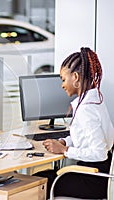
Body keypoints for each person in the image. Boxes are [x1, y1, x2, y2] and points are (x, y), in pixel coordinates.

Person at [34, 47, 114, 199]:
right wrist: (64, 141)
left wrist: (65, 150)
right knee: (41, 177)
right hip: (98, 174)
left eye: (63, 79)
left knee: (39, 182)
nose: (62, 85)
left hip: (93, 178)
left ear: (75, 77)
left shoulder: (86, 109)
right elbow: (85, 135)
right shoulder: (94, 101)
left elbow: (99, 153)